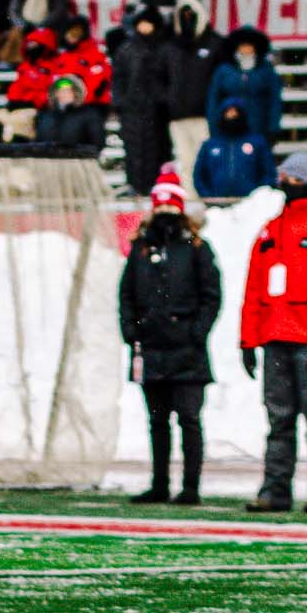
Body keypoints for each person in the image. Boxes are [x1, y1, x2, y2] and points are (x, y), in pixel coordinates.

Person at [118, 179, 220, 506]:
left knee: (189, 419)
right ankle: (159, 483)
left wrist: (197, 331)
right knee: (157, 421)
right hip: (151, 347)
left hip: (187, 349)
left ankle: (191, 485)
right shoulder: (140, 248)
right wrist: (131, 330)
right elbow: (126, 294)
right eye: (159, 205)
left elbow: (211, 295)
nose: (164, 212)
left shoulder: (196, 248)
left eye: (169, 205)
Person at [240, 153, 307, 514]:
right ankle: (275, 489)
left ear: (305, 180)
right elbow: (254, 291)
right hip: (276, 340)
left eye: (291, 176)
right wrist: (248, 340)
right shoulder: (270, 230)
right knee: (278, 421)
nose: (285, 182)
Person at [165, 0, 223, 199]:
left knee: (207, 160)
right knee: (185, 161)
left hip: (205, 116)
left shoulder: (214, 44)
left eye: (192, 16)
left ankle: (210, 199)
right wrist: (169, 100)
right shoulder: (171, 47)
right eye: (184, 16)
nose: (188, 20)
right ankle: (189, 199)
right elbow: (161, 78)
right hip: (178, 117)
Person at [207, 25, 282, 143]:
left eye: (249, 45)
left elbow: (274, 101)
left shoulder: (266, 71)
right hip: (229, 130)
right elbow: (213, 100)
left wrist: (273, 128)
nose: (245, 49)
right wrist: (214, 127)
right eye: (242, 45)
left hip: (258, 129)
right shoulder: (223, 71)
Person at [191, 99, 277, 199]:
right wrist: (208, 196)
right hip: (217, 204)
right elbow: (199, 175)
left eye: (236, 112)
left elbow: (269, 172)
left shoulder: (257, 143)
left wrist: (258, 196)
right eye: (228, 112)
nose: (232, 116)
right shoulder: (210, 145)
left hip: (250, 205)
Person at [0, 28, 60, 142]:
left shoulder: (54, 67)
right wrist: (15, 101)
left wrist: (31, 100)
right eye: (29, 43)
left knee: (21, 122)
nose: (30, 46)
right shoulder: (25, 67)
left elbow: (50, 92)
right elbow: (16, 89)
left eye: (34, 43)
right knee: (1, 115)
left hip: (41, 108)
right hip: (22, 106)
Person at [50, 14, 112, 111]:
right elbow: (55, 80)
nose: (73, 35)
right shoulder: (62, 56)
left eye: (77, 32)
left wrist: (77, 100)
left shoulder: (95, 54)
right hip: (64, 105)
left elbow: (97, 81)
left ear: (84, 34)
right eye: (70, 31)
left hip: (90, 106)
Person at [36, 75, 107, 151]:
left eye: (68, 91)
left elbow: (98, 144)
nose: (64, 94)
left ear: (76, 93)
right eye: (60, 91)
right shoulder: (45, 115)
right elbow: (38, 142)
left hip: (79, 160)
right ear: (55, 93)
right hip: (47, 160)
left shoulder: (90, 114)